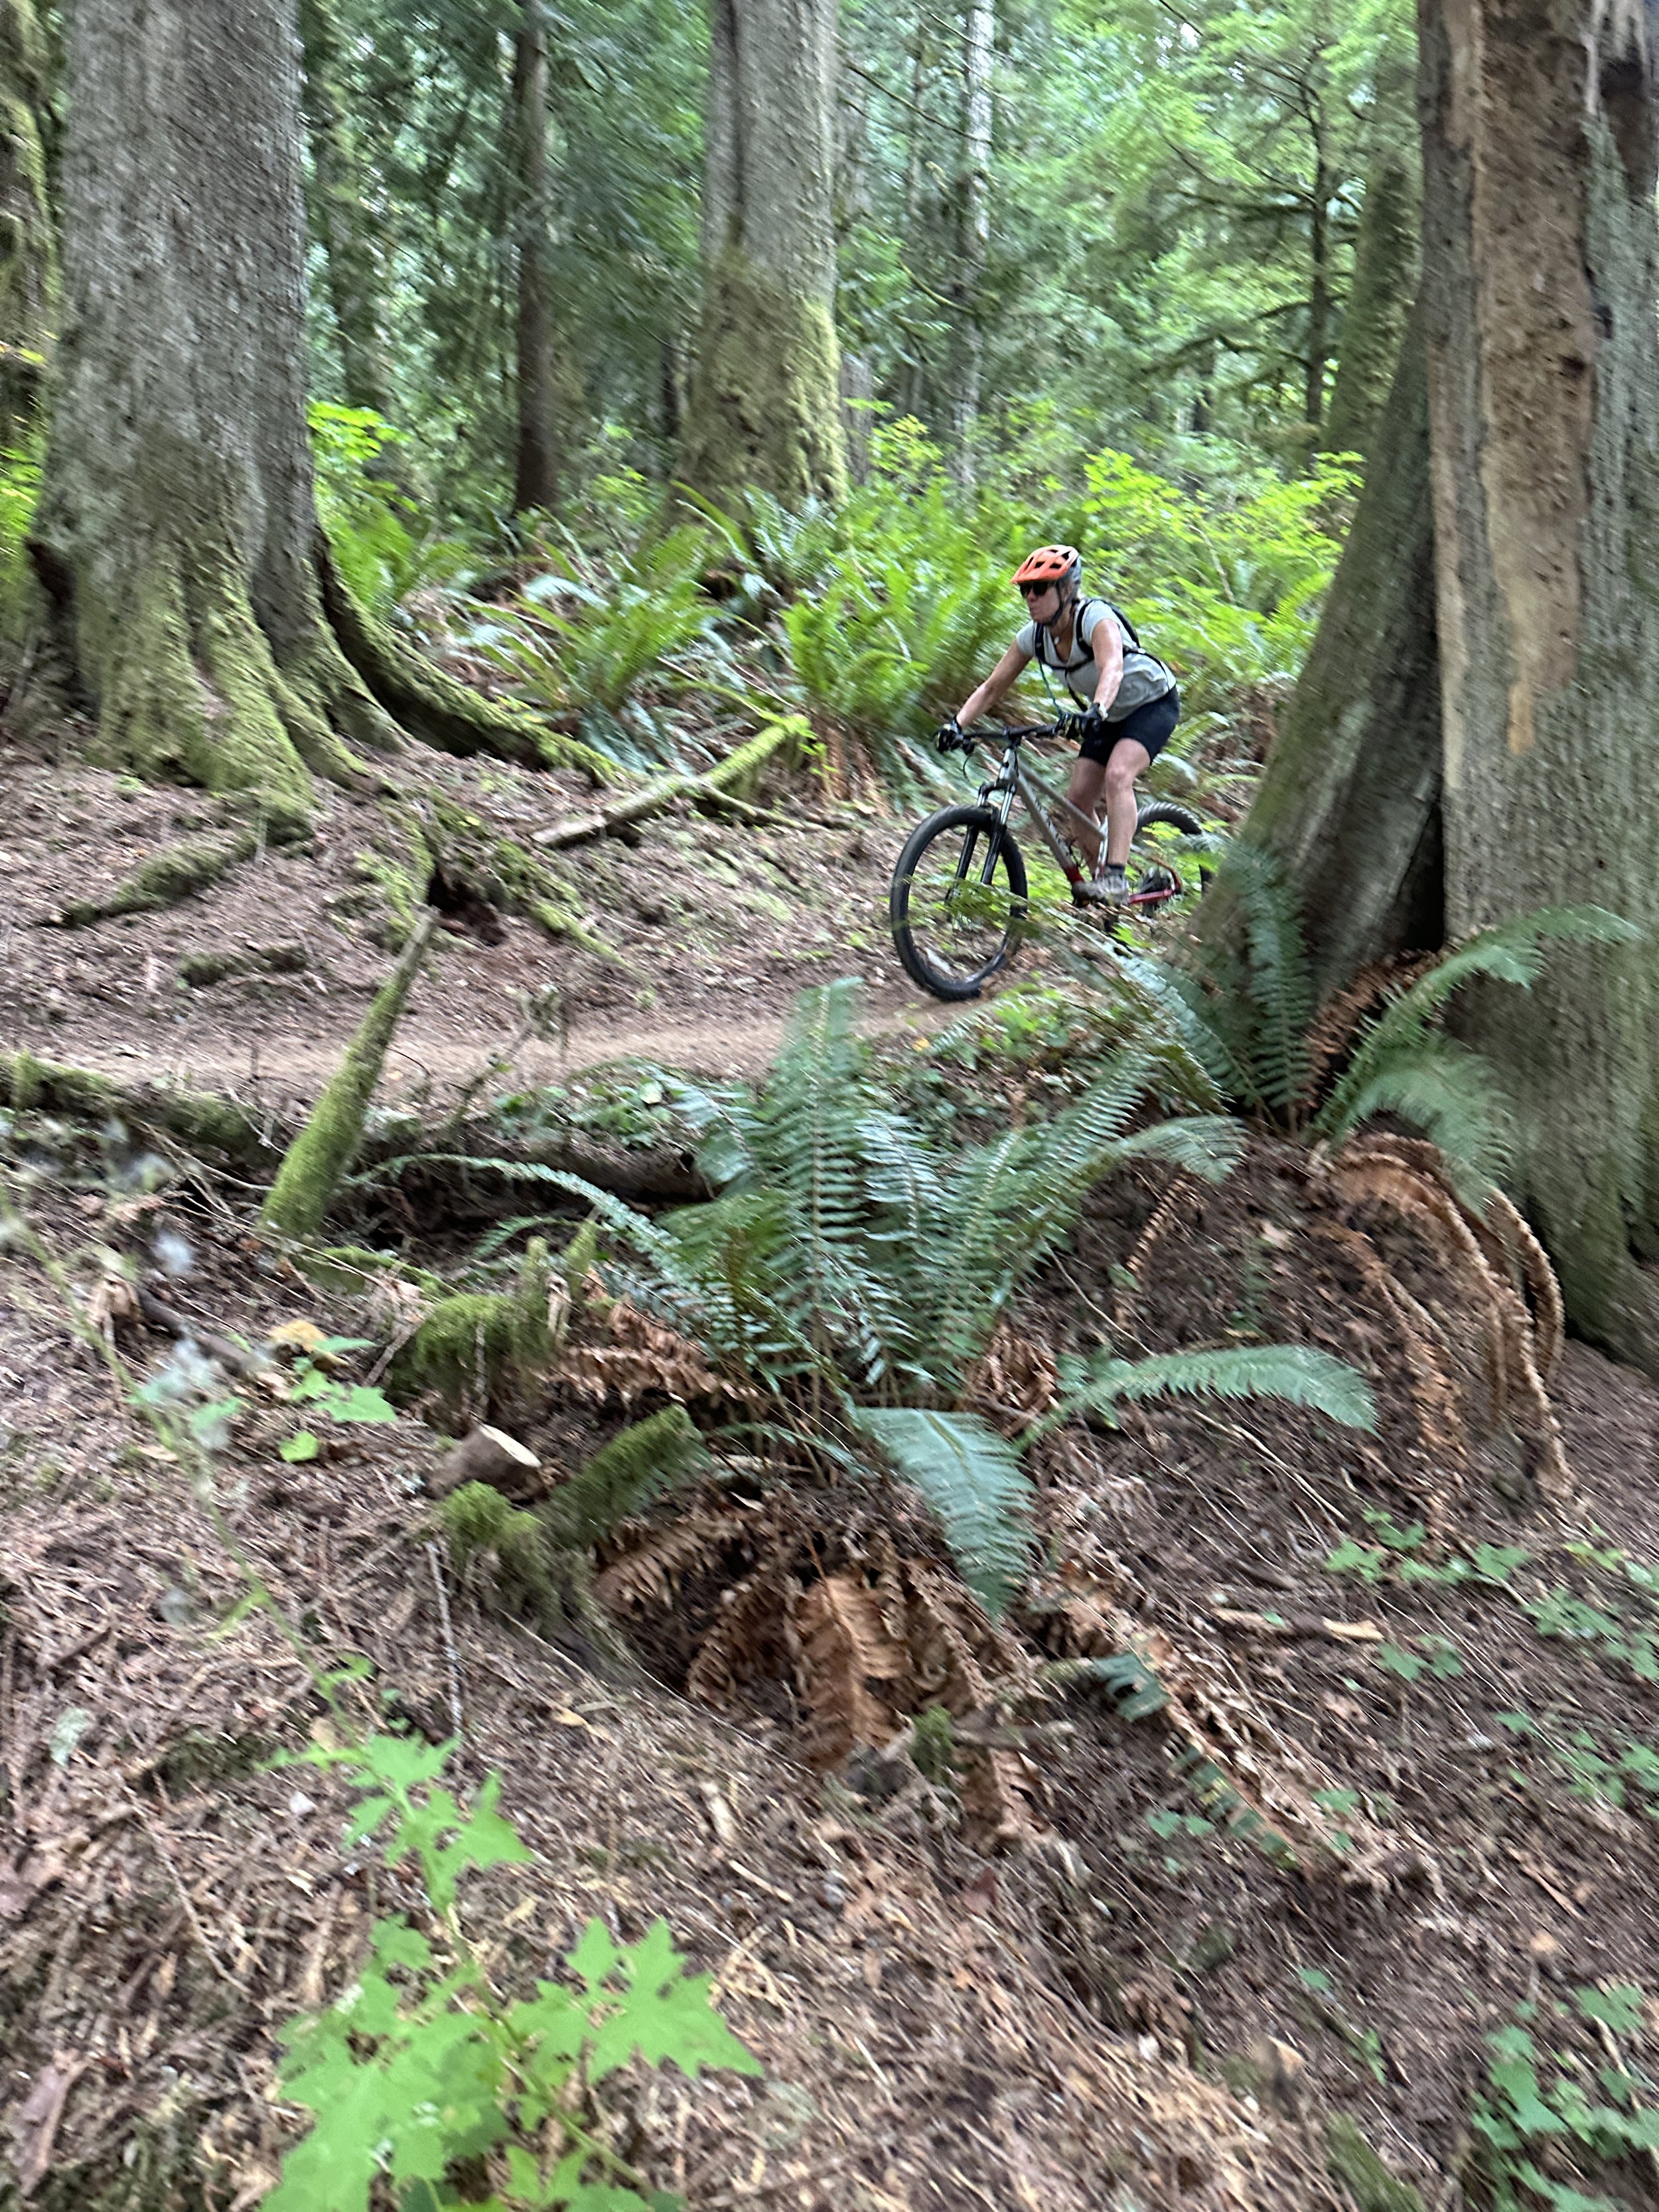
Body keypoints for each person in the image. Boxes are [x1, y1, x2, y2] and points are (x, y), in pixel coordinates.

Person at [937, 544, 1179, 904]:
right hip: (1107, 714)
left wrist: (1095, 710)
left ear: (1067, 588)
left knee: (1117, 776)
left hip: (1152, 703)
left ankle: (1116, 878)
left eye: (1040, 588)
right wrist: (956, 724)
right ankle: (1103, 886)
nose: (1030, 597)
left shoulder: (1095, 619)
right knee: (1078, 799)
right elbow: (991, 688)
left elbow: (1112, 667)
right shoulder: (1034, 637)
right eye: (1025, 589)